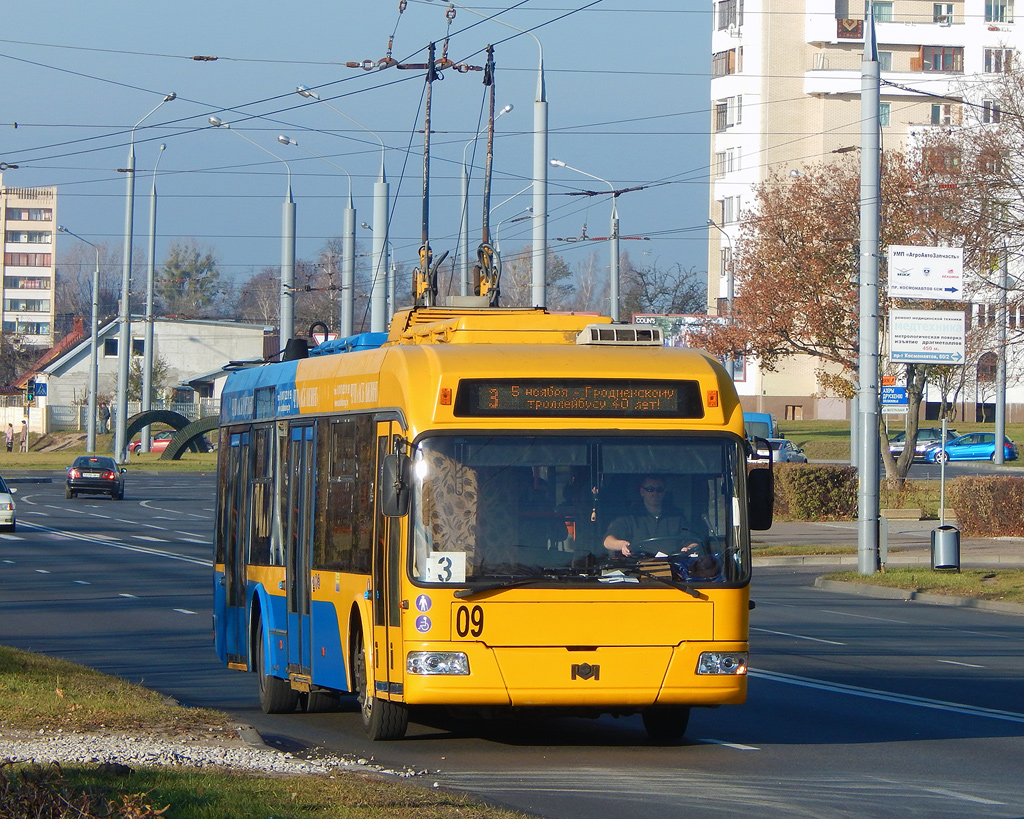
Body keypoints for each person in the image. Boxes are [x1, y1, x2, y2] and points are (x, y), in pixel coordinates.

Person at [603, 475, 702, 557]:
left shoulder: (677, 516)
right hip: (638, 569)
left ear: (664, 492)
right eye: (650, 489)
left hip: (672, 568)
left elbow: (693, 541)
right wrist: (622, 545)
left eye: (659, 489)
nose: (655, 493)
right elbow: (607, 541)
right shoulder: (629, 516)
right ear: (642, 492)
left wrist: (689, 548)